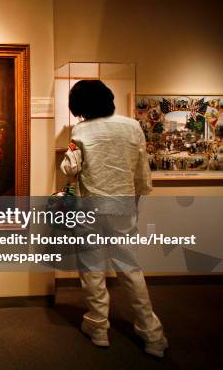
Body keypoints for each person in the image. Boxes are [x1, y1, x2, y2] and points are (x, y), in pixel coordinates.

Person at [60, 79, 168, 357]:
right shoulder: (132, 125)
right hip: (122, 206)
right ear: (107, 98)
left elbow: (71, 169)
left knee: (92, 268)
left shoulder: (81, 129)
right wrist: (138, 196)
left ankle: (98, 328)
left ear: (78, 106)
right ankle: (152, 336)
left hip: (90, 208)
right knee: (130, 269)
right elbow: (141, 168)